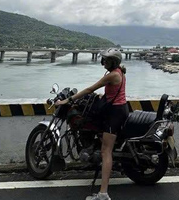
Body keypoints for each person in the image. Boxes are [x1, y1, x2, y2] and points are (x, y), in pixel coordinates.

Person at [55, 49, 128, 200]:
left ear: (113, 62)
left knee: (105, 151)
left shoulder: (113, 75)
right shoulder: (119, 71)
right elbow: (114, 92)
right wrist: (104, 95)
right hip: (119, 109)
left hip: (114, 113)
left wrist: (67, 100)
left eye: (107, 60)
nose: (104, 62)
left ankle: (103, 194)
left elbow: (90, 89)